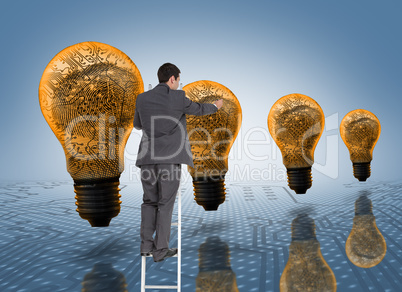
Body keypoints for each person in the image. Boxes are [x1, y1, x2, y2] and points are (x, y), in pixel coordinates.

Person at [134, 63, 223, 262]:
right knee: (165, 204)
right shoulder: (178, 97)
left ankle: (146, 247)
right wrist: (216, 106)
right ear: (172, 79)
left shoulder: (142, 98)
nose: (178, 82)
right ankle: (160, 251)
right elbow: (199, 110)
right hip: (169, 160)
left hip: (147, 161)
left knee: (149, 202)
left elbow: (137, 125)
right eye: (178, 79)